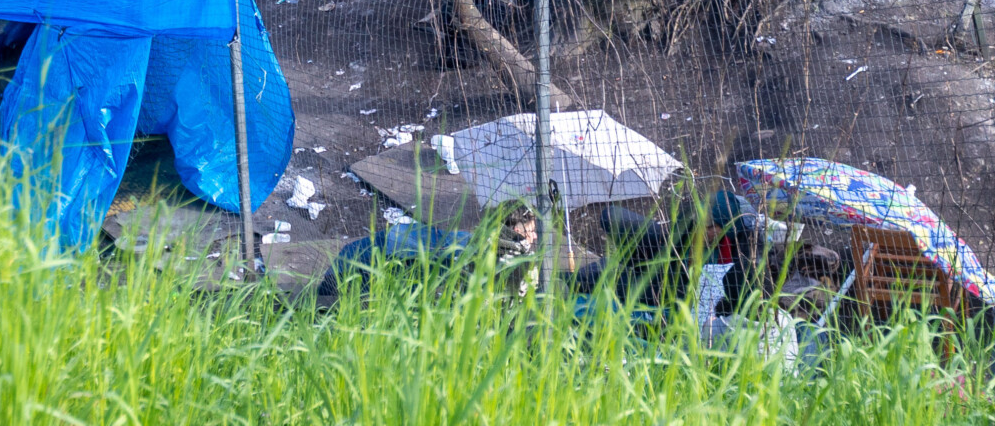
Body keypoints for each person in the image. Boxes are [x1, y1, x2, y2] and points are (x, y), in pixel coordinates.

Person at [318, 202, 539, 304]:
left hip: (357, 262)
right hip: (353, 274)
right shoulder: (483, 252)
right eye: (531, 231)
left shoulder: (475, 243)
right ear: (516, 229)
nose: (535, 237)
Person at [572, 190, 754, 313]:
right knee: (601, 273)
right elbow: (610, 215)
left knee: (612, 281)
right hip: (654, 275)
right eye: (702, 224)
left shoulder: (732, 255)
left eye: (712, 227)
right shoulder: (678, 234)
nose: (705, 231)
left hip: (675, 299)